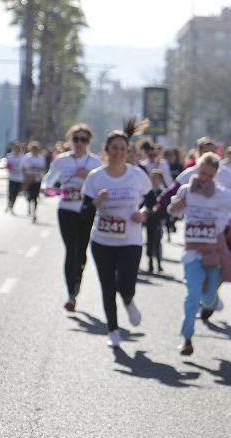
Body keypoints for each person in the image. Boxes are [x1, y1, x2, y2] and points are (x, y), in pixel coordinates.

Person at [169, 151, 231, 356]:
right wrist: (177, 206)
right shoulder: (186, 190)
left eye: (210, 175)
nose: (204, 178)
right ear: (197, 169)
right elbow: (172, 211)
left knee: (206, 300)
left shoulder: (221, 194)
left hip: (214, 253)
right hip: (192, 252)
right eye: (202, 173)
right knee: (192, 295)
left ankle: (213, 302)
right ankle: (187, 338)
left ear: (215, 175)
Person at [80, 127, 155, 347]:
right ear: (106, 150)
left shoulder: (136, 175)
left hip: (130, 239)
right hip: (102, 240)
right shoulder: (96, 177)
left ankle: (128, 299)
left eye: (123, 148)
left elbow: (152, 201)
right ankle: (113, 331)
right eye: (114, 148)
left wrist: (144, 214)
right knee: (107, 286)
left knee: (126, 283)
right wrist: (96, 202)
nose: (119, 152)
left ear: (128, 151)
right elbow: (84, 211)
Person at [42, 124, 103, 311]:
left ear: (89, 142)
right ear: (70, 141)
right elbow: (48, 180)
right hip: (66, 209)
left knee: (82, 253)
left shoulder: (95, 163)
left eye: (83, 140)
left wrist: (87, 177)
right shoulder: (62, 160)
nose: (79, 143)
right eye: (75, 139)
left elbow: (102, 186)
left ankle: (76, 281)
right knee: (71, 249)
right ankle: (71, 295)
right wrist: (50, 189)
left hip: (86, 211)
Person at [21, 142, 47, 222]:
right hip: (29, 179)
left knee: (35, 197)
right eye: (33, 149)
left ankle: (34, 213)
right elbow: (23, 168)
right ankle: (29, 207)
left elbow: (43, 167)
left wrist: (39, 171)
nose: (35, 151)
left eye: (36, 149)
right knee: (29, 195)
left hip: (37, 179)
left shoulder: (41, 158)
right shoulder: (27, 157)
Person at [5, 142, 24, 213]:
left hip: (19, 178)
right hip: (11, 177)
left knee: (15, 193)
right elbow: (8, 166)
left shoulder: (22, 157)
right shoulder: (9, 156)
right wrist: (12, 168)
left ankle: (12, 205)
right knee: (10, 192)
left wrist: (14, 168)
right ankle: (8, 204)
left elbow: (20, 167)